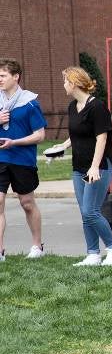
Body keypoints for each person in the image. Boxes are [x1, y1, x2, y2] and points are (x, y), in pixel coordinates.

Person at [52, 67, 112, 266]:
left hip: (99, 166)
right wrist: (63, 146)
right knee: (85, 212)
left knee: (91, 211)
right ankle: (93, 254)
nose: (64, 85)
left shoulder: (97, 107)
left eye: (65, 81)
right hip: (79, 167)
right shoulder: (72, 106)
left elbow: (102, 139)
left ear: (74, 83)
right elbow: (77, 133)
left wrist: (94, 167)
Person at [0, 59, 46, 261]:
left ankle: (37, 246)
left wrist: (15, 142)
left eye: (3, 76)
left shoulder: (29, 102)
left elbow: (40, 135)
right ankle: (0, 250)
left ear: (15, 76)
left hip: (23, 160)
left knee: (27, 203)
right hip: (1, 159)